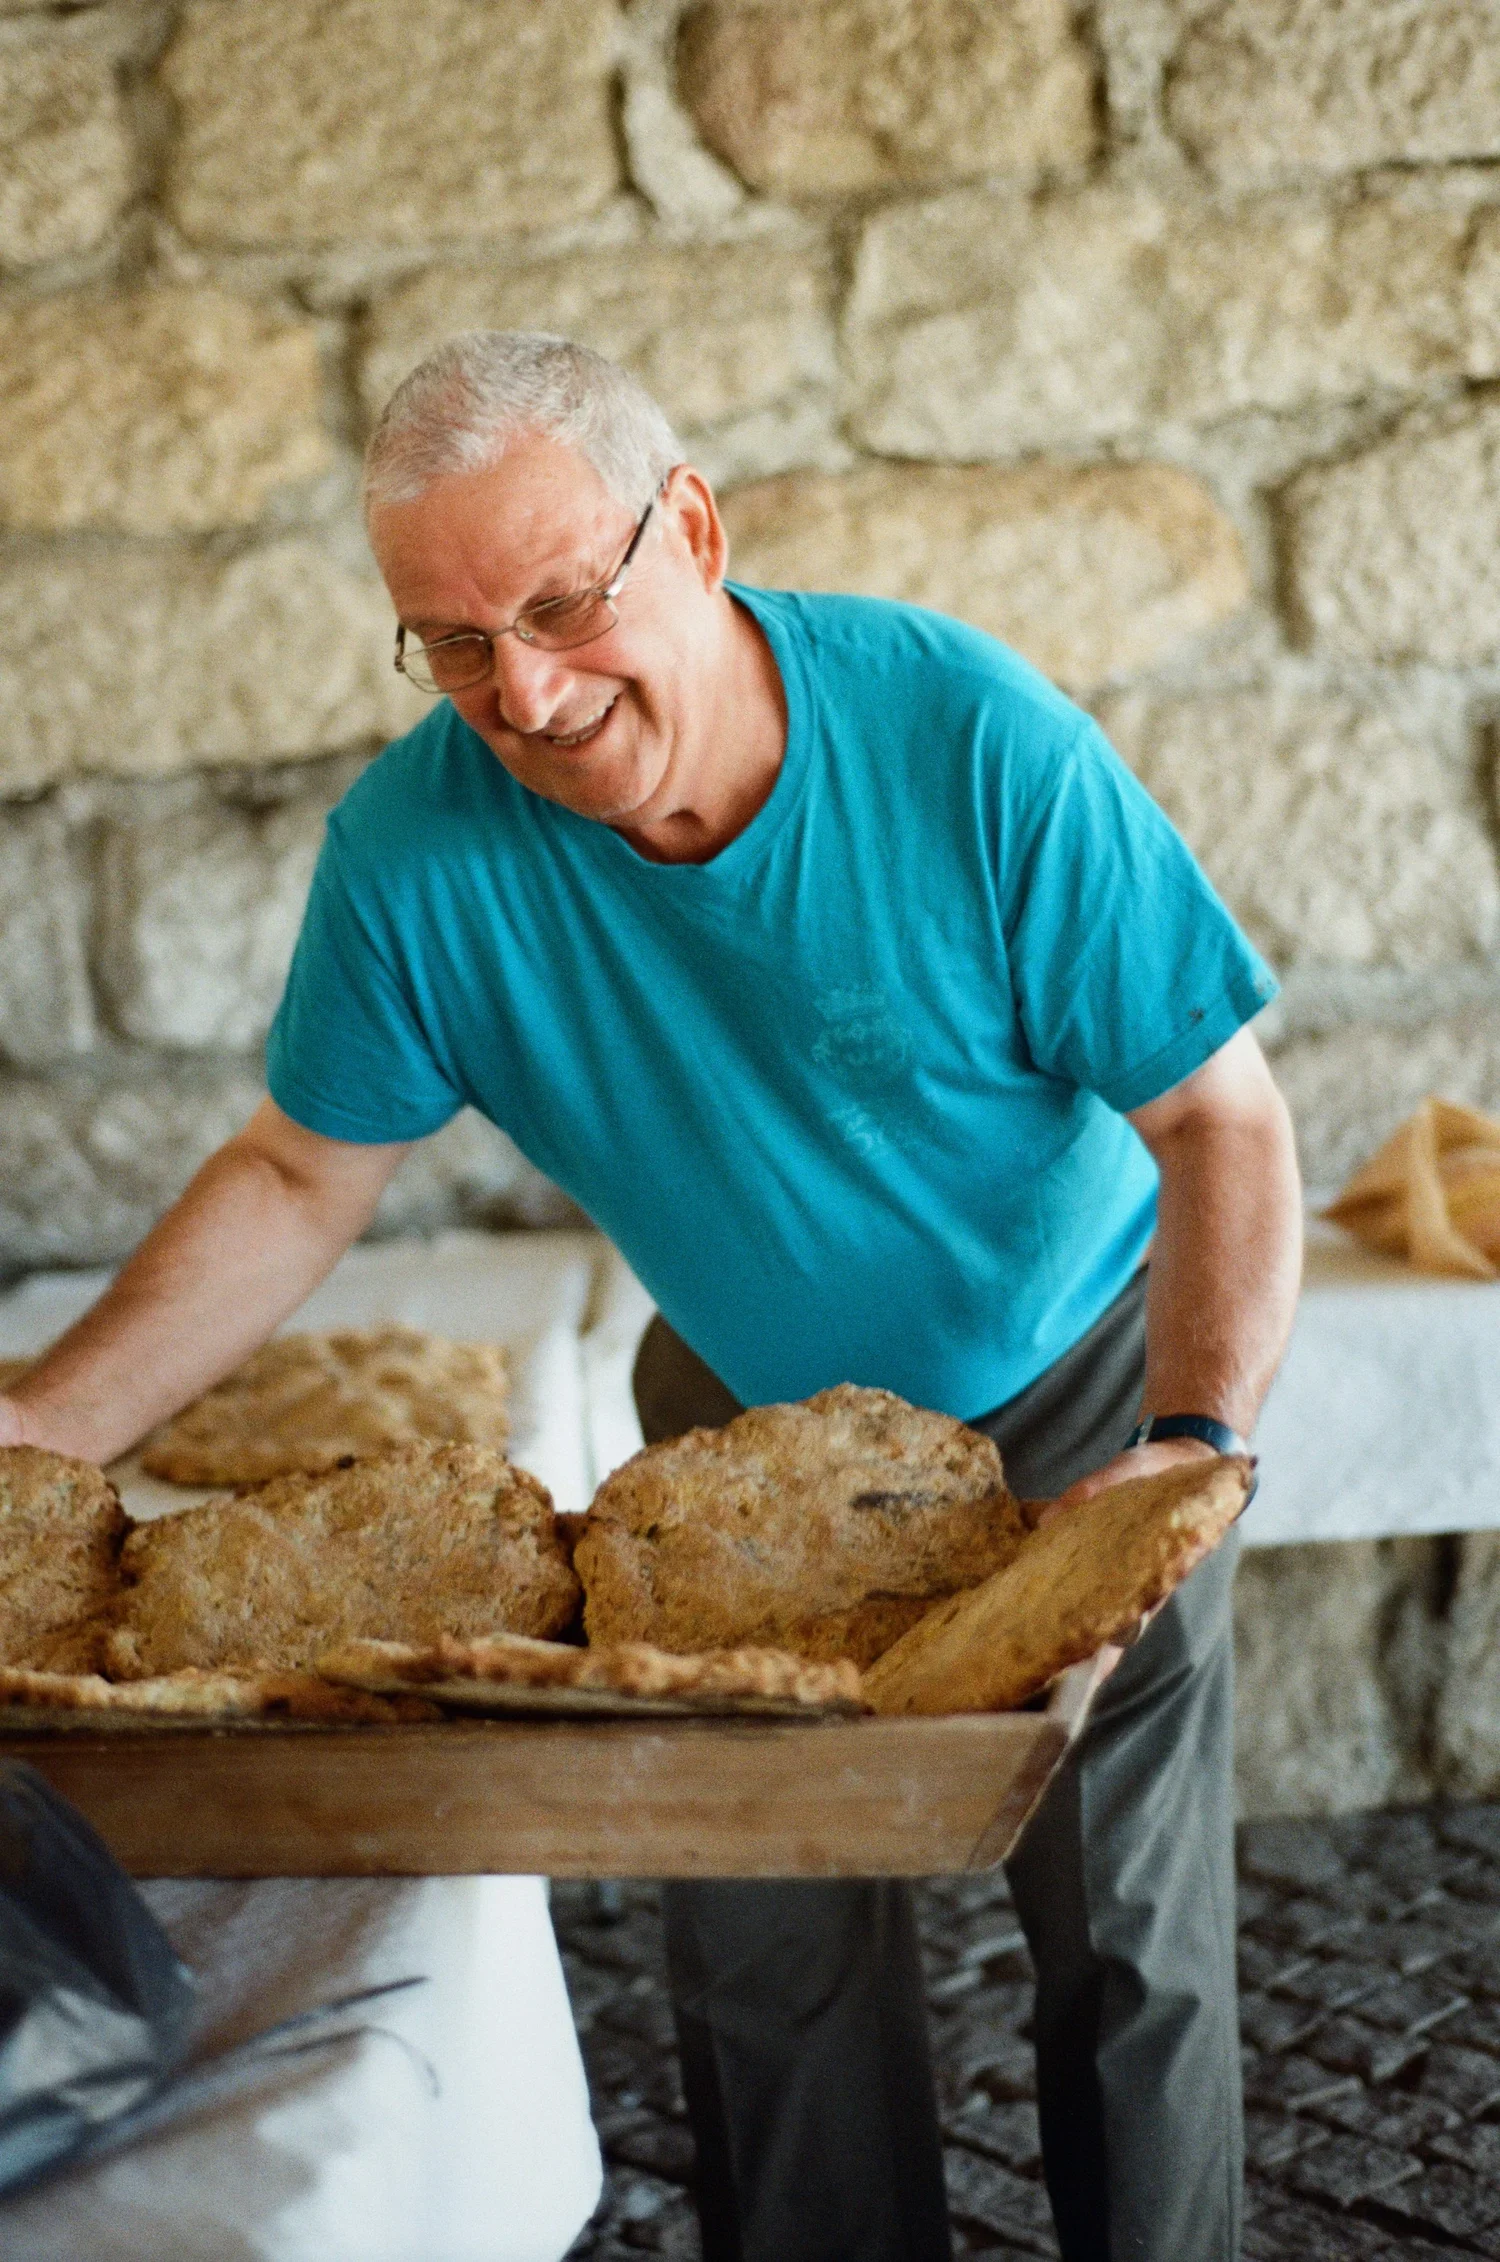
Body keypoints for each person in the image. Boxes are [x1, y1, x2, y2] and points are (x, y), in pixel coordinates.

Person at [0, 331, 1302, 2262]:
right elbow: (293, 1178)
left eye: (557, 601)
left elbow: (1223, 1122)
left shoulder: (968, 735)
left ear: (688, 524)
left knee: (1127, 1955)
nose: (515, 689)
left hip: (1084, 1399)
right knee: (768, 1964)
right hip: (745, 1442)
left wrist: (1187, 1443)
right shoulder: (409, 855)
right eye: (449, 639)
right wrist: (29, 1433)